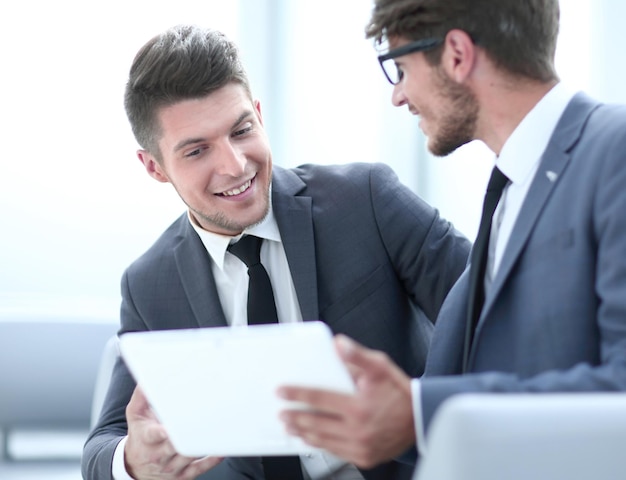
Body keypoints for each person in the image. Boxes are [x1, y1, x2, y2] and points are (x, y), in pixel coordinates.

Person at [81, 24, 471, 480]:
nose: (234, 165)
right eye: (197, 151)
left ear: (259, 116)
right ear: (154, 167)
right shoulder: (150, 283)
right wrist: (130, 459)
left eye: (241, 130)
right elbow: (102, 444)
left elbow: (494, 314)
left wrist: (416, 412)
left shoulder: (366, 200)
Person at [278, 0, 626, 472]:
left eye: (400, 69)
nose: (397, 96)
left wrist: (421, 412)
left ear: (457, 55)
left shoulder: (614, 151)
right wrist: (377, 413)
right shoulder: (509, 193)